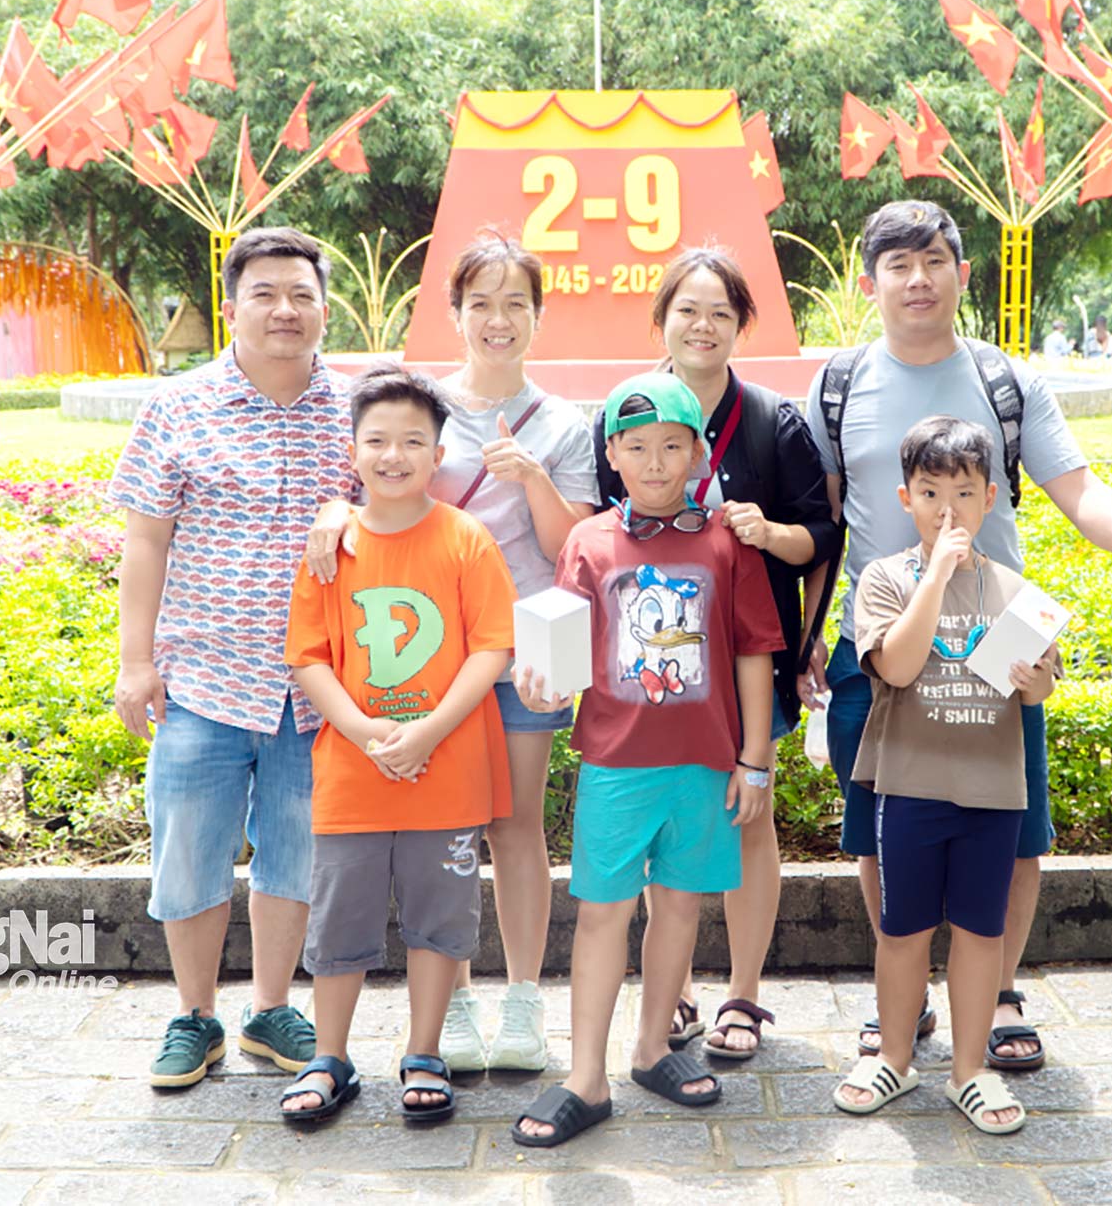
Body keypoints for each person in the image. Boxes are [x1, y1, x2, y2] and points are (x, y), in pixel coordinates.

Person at [805, 200, 1112, 1074]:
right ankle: (907, 999)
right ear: (871, 283)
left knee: (1014, 831)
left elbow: (1076, 488)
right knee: (876, 830)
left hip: (997, 644)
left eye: (935, 260)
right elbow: (824, 523)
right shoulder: (839, 385)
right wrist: (804, 636)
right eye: (897, 263)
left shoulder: (1006, 381)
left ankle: (999, 988)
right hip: (886, 636)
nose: (918, 278)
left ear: (962, 274)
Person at [304, 237, 598, 1074]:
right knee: (449, 829)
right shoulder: (420, 401)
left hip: (522, 658)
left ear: (539, 316)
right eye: (481, 304)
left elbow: (573, 548)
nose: (497, 321)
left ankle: (521, 999)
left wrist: (534, 475)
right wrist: (332, 508)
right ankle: (457, 1001)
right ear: (455, 313)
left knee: (514, 825)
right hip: (427, 658)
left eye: (515, 305)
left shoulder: (564, 422)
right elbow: (371, 474)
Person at [510, 373, 782, 1147]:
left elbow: (757, 651)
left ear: (698, 452)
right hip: (615, 765)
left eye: (672, 445)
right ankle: (584, 1076)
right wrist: (541, 675)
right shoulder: (590, 541)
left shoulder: (729, 539)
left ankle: (653, 1045)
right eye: (637, 447)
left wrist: (754, 757)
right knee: (602, 911)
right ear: (612, 454)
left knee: (683, 905)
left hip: (704, 762)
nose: (655, 462)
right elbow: (560, 652)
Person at [109, 227, 348, 1088]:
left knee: (296, 852)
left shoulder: (358, 411)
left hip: (314, 689)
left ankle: (272, 1007)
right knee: (190, 852)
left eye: (301, 294)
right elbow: (146, 540)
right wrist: (136, 663)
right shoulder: (177, 405)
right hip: (203, 678)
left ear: (325, 307)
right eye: (265, 293)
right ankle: (194, 1013)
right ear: (234, 304)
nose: (285, 309)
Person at [592, 248, 835, 1061]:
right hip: (650, 672)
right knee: (670, 820)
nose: (702, 326)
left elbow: (821, 540)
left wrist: (770, 535)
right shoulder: (624, 412)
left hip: (743, 660)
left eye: (720, 314)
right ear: (660, 319)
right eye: (686, 311)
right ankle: (678, 992)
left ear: (742, 326)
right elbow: (603, 533)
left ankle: (742, 992)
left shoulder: (773, 420)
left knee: (748, 816)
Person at [279, 366, 517, 1125]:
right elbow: (309, 656)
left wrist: (426, 731)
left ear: (439, 451)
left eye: (413, 440)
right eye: (377, 440)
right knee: (339, 919)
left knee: (439, 918)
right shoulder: (330, 548)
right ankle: (331, 1055)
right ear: (351, 451)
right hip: (352, 774)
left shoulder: (465, 538)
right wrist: (366, 731)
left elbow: (491, 648)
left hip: (445, 770)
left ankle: (424, 1051)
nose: (394, 454)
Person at [830, 416, 1059, 1136]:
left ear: (992, 497)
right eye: (931, 491)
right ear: (905, 498)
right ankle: (894, 1057)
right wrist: (934, 572)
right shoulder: (885, 579)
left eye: (964, 491)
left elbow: (1036, 692)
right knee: (902, 930)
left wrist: (1035, 679)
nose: (948, 508)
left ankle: (969, 1069)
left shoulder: (1016, 589)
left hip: (991, 792)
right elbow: (895, 666)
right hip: (909, 786)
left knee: (979, 932)